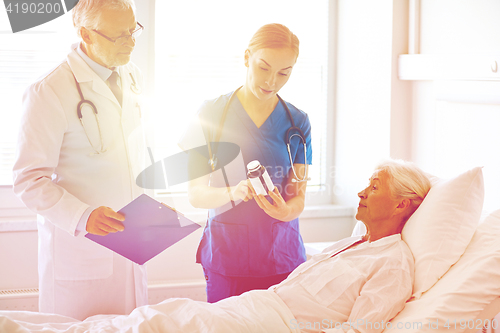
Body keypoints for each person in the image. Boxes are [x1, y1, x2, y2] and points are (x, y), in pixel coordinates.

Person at [1, 159, 431, 333]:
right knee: (154, 319)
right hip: (256, 308)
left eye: (374, 187)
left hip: (271, 324)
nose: (361, 192)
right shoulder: (352, 244)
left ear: (403, 203)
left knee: (153, 325)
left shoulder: (393, 263)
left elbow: (361, 330)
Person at [12, 0, 148, 320]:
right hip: (82, 251)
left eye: (133, 31)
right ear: (86, 34)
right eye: (119, 36)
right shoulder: (48, 91)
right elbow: (29, 180)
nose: (130, 42)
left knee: (134, 326)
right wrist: (83, 216)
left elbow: (130, 154)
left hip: (132, 240)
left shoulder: (132, 75)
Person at [178, 23, 313, 303]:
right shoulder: (211, 113)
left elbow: (298, 196)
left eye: (283, 73)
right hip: (228, 258)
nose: (272, 81)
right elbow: (196, 194)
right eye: (263, 67)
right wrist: (233, 192)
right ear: (246, 58)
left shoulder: (298, 123)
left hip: (282, 256)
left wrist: (286, 210)